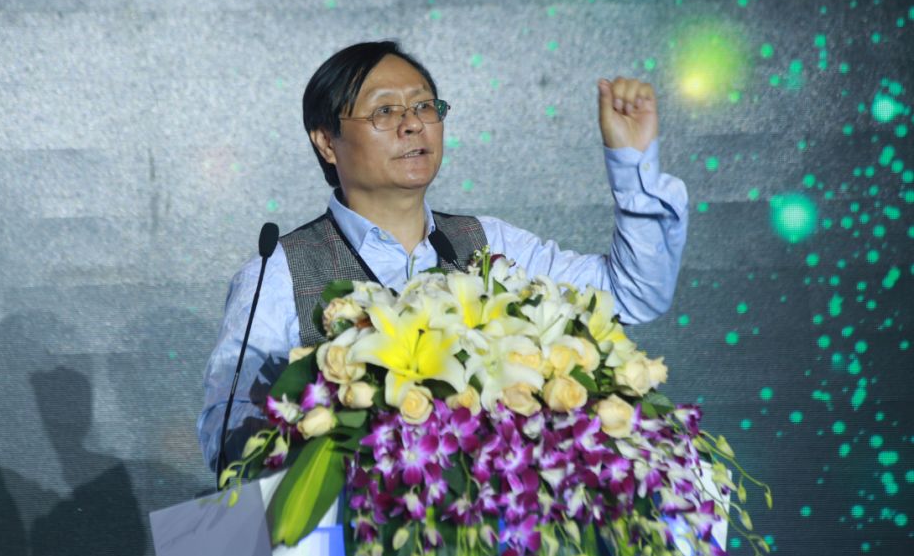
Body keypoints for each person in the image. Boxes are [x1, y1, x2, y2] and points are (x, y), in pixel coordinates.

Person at [197, 40, 688, 474]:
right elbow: (228, 435)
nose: (413, 124)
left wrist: (633, 163)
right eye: (384, 112)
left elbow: (632, 294)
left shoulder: (492, 244)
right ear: (327, 142)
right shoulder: (277, 275)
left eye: (424, 106)